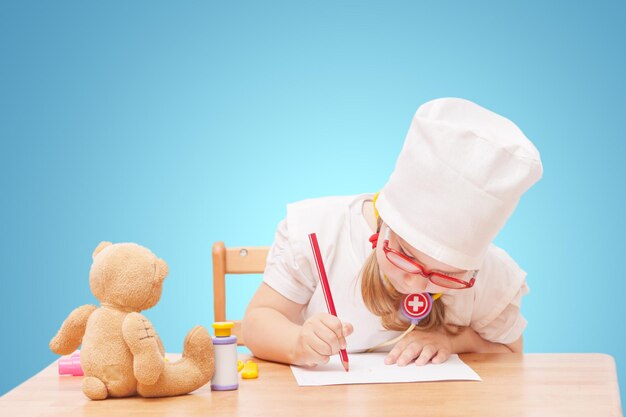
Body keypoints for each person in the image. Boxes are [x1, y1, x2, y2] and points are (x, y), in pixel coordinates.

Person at [243, 97, 543, 368]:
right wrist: (296, 343)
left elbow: (510, 353)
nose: (415, 285)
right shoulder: (320, 233)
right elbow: (256, 324)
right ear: (381, 224)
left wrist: (453, 341)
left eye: (445, 275)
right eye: (405, 256)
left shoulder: (489, 274)